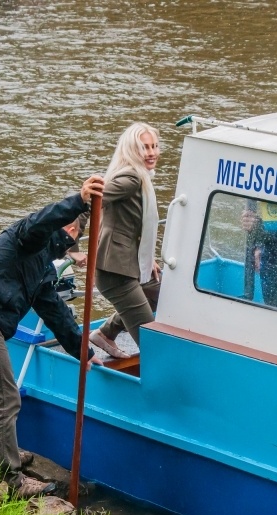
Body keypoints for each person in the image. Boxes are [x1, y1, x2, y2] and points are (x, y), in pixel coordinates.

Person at [0, 175, 104, 498]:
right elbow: (41, 219)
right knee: (5, 397)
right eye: (75, 231)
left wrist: (82, 351)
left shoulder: (43, 266)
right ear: (72, 231)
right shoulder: (33, 237)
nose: (73, 238)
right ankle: (10, 480)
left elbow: (56, 313)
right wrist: (80, 199)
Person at [89, 122, 162, 359]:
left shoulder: (141, 176)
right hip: (116, 272)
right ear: (132, 150)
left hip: (131, 262)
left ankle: (106, 333)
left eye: (154, 146)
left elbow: (137, 225)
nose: (151, 152)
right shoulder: (131, 179)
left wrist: (148, 258)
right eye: (144, 147)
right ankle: (161, 379)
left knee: (166, 295)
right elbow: (91, 200)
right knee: (154, 344)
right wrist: (73, 247)